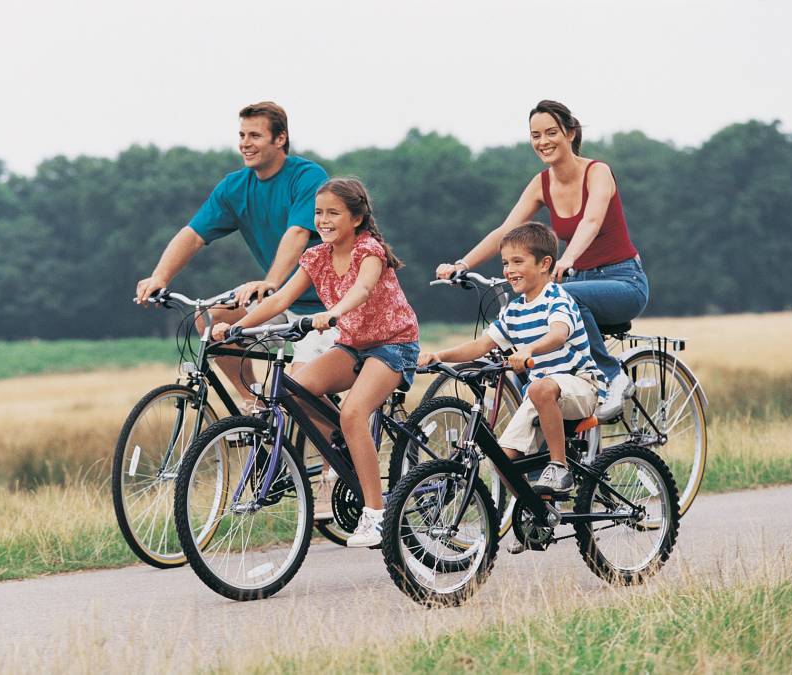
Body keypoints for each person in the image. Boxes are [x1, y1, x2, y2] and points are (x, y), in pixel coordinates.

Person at [213, 177, 419, 548]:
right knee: (297, 390)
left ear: (356, 218)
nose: (323, 220)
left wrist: (334, 313)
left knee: (354, 412)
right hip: (353, 345)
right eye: (319, 213)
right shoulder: (316, 256)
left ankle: (375, 514)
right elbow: (277, 301)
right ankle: (346, 445)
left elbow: (363, 288)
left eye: (333, 213)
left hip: (392, 345)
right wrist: (235, 329)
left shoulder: (368, 250)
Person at [436, 100, 648, 420]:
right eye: (536, 135)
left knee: (565, 297)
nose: (543, 142)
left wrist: (568, 259)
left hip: (623, 281)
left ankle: (612, 375)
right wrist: (462, 265)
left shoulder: (597, 172)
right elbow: (507, 231)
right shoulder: (542, 183)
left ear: (570, 133)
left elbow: (591, 222)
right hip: (575, 283)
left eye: (551, 133)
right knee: (532, 326)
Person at [135, 101, 336, 410]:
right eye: (241, 135)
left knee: (301, 395)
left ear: (279, 139)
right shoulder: (234, 187)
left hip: (327, 308)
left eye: (254, 135)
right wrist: (160, 277)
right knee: (211, 318)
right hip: (281, 302)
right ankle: (253, 405)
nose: (244, 143)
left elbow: (297, 233)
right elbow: (193, 234)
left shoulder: (307, 176)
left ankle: (336, 459)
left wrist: (270, 282)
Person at [420, 223, 605, 553]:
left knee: (540, 388)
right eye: (505, 263)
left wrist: (530, 350)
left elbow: (559, 334)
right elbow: (481, 345)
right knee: (503, 461)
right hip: (542, 394)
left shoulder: (556, 298)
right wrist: (440, 355)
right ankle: (539, 512)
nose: (509, 270)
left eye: (518, 262)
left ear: (544, 264)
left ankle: (559, 468)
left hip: (580, 385)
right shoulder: (515, 310)